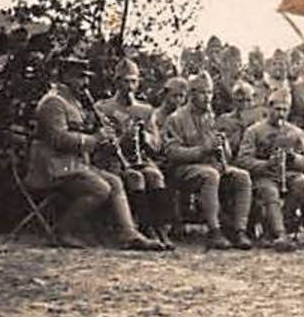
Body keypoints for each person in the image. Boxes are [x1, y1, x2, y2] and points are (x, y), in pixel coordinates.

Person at [23, 56, 166, 251]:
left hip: (72, 165)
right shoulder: (53, 103)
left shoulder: (73, 102)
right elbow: (59, 140)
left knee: (115, 181)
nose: (86, 83)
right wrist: (96, 139)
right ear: (65, 77)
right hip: (52, 167)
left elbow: (83, 135)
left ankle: (128, 232)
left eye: (86, 77)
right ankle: (62, 231)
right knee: (100, 188)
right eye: (80, 78)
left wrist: (107, 138)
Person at [162, 71, 254, 250]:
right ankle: (214, 231)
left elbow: (225, 154)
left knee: (242, 177)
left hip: (210, 166)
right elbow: (172, 153)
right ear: (192, 94)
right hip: (183, 170)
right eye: (203, 93)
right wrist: (202, 150)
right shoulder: (176, 119)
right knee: (210, 175)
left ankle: (239, 229)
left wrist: (222, 145)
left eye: (210, 93)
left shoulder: (210, 117)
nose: (208, 98)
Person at [95, 57, 175, 246]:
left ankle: (161, 229)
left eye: (133, 81)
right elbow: (101, 144)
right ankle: (146, 229)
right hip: (112, 160)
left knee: (155, 176)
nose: (129, 86)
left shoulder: (145, 110)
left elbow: (157, 146)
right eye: (125, 80)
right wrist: (123, 138)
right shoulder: (104, 107)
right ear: (116, 82)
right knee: (135, 178)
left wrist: (145, 137)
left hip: (140, 158)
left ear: (139, 83)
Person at [236, 86, 304, 251]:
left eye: (285, 110)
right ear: (268, 108)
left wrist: (293, 158)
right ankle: (280, 234)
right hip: (264, 176)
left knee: (303, 183)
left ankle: (276, 227)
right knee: (269, 191)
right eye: (277, 109)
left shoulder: (296, 133)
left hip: (288, 174)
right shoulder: (254, 131)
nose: (281, 114)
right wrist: (266, 164)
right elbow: (242, 160)